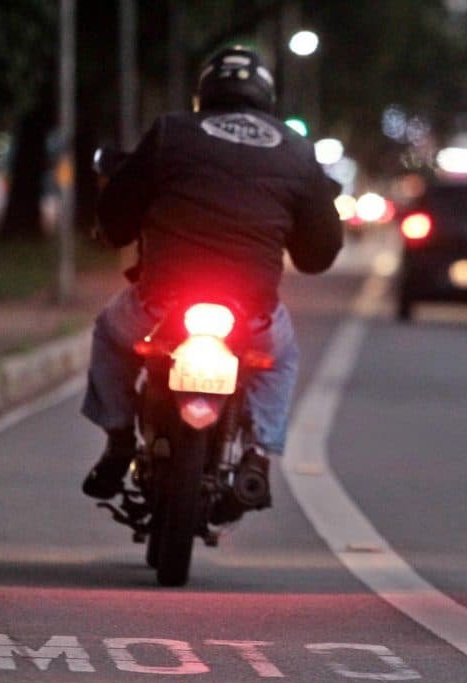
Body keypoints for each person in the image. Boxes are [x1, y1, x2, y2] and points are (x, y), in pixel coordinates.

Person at [81, 46, 342, 504]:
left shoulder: (171, 132)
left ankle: (119, 440)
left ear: (203, 93)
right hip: (253, 312)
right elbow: (319, 253)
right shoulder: (297, 152)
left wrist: (110, 230)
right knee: (280, 357)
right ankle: (258, 453)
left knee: (110, 333)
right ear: (267, 97)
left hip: (161, 302)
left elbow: (117, 212)